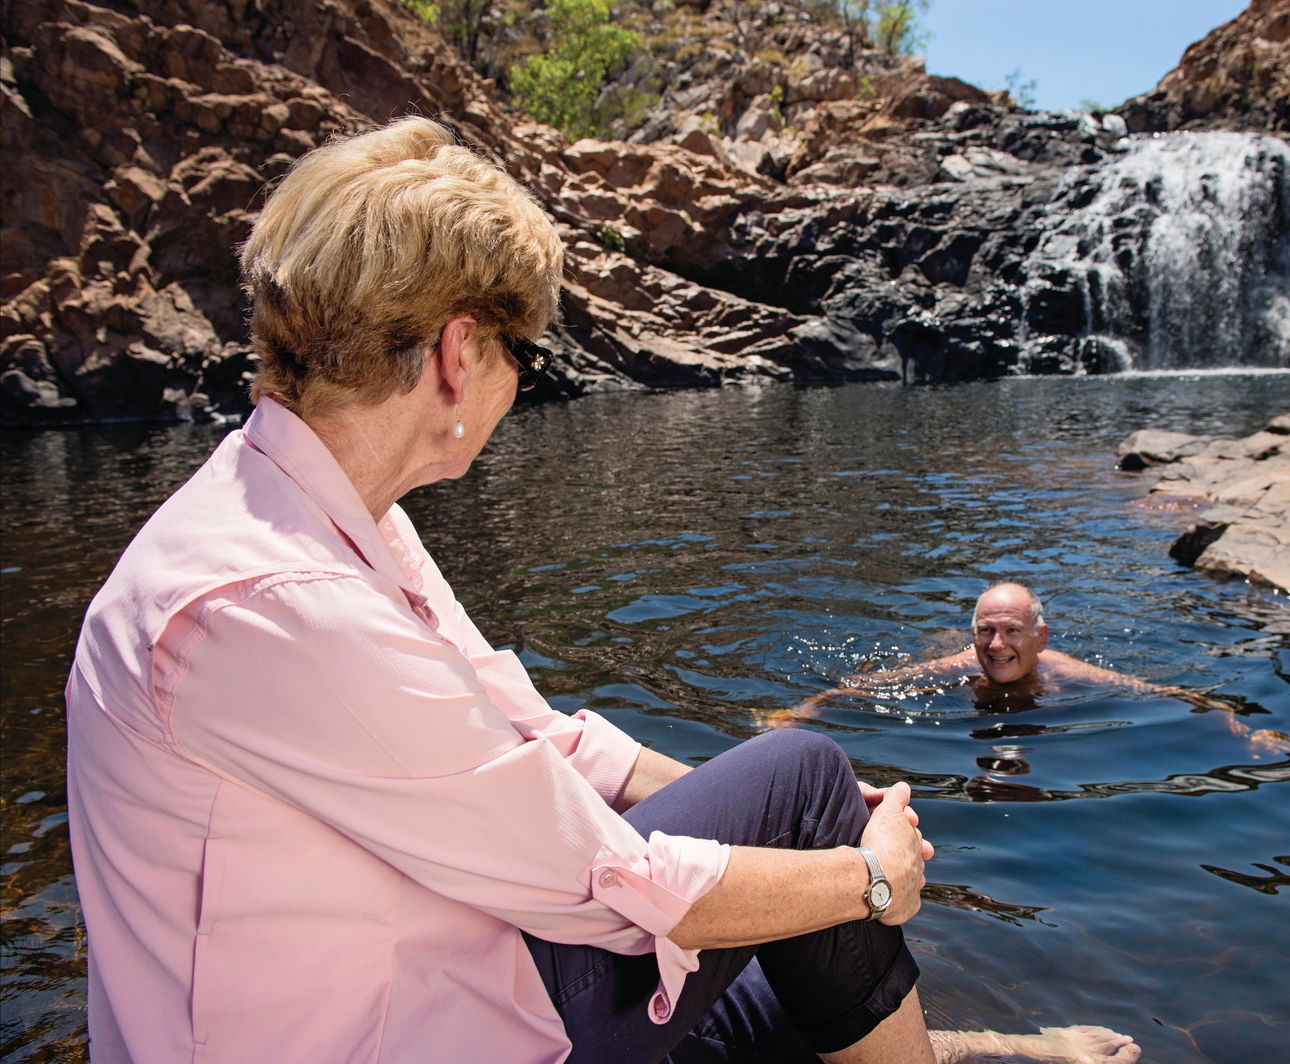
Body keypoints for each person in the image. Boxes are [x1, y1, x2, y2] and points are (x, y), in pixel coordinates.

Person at [65, 118, 1139, 1064]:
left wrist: (780, 832)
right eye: (520, 352)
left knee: (780, 890)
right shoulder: (277, 597)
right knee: (804, 783)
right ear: (459, 351)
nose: (517, 383)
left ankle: (932, 1040)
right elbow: (609, 884)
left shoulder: (327, 518)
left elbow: (541, 737)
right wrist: (862, 878)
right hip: (390, 1029)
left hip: (404, 979)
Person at [771, 582, 1289, 756]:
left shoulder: (1070, 672)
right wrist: (796, 715)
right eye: (985, 631)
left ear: (1040, 637)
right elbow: (864, 686)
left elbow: (1157, 691)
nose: (996, 646)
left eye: (1012, 632)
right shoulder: (958, 664)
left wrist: (1240, 727)